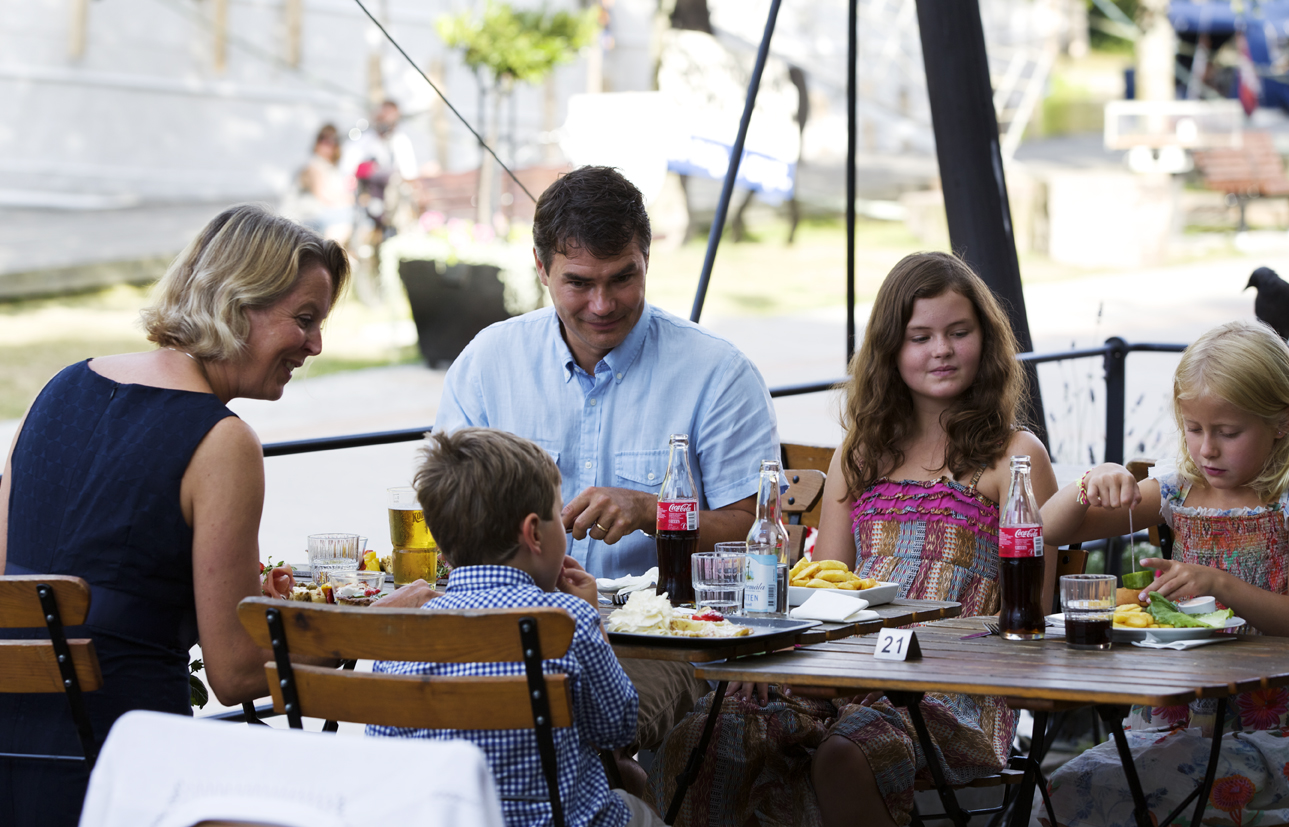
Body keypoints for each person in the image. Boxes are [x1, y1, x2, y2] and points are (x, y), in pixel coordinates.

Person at [0, 204, 434, 827]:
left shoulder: (57, 388)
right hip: (128, 774)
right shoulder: (223, 440)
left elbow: (19, 585)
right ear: (237, 304)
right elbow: (233, 674)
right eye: (305, 320)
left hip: (14, 754)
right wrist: (376, 626)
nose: (315, 345)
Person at [647, 251, 1058, 827]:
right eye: (920, 336)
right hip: (848, 674)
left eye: (958, 332)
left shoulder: (1013, 456)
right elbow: (824, 594)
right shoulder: (861, 454)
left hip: (955, 692)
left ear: (986, 342)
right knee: (712, 733)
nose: (940, 349)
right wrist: (774, 663)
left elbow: (1033, 614)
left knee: (847, 751)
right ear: (891, 349)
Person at [434, 165, 781, 784]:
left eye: (624, 278)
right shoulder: (491, 360)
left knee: (574, 728)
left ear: (648, 258)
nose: (603, 304)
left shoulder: (717, 372)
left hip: (663, 639)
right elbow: (442, 507)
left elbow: (764, 535)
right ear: (540, 270)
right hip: (507, 631)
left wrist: (656, 512)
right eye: (579, 283)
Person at [1042, 319, 1289, 827]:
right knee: (1064, 790)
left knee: (1139, 790)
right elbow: (1047, 527)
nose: (1207, 450)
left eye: (1227, 432)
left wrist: (1221, 585)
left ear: (1281, 422)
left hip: (1271, 726)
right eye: (1193, 430)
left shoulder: (1283, 504)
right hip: (1172, 719)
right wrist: (1093, 479)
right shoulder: (1179, 493)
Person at [369, 427, 664, 827]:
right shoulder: (567, 620)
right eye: (558, 516)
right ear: (534, 533)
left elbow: (385, 752)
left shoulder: (403, 636)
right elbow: (618, 729)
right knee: (638, 809)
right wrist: (592, 621)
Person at [295, 123, 355, 244]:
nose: (327, 145)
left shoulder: (333, 166)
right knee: (344, 217)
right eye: (323, 140)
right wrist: (346, 200)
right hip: (310, 217)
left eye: (332, 141)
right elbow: (322, 196)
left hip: (326, 215)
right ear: (317, 142)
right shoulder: (313, 165)